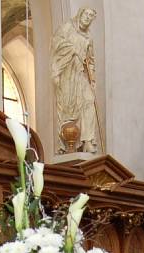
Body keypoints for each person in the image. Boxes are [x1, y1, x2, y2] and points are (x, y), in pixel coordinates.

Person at [51, 7, 99, 154]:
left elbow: (90, 59)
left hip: (80, 74)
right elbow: (56, 46)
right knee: (68, 110)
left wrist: (92, 78)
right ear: (80, 14)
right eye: (86, 14)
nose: (88, 18)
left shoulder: (88, 38)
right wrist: (71, 49)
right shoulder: (66, 28)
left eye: (91, 16)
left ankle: (87, 141)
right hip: (67, 73)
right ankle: (68, 145)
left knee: (89, 101)